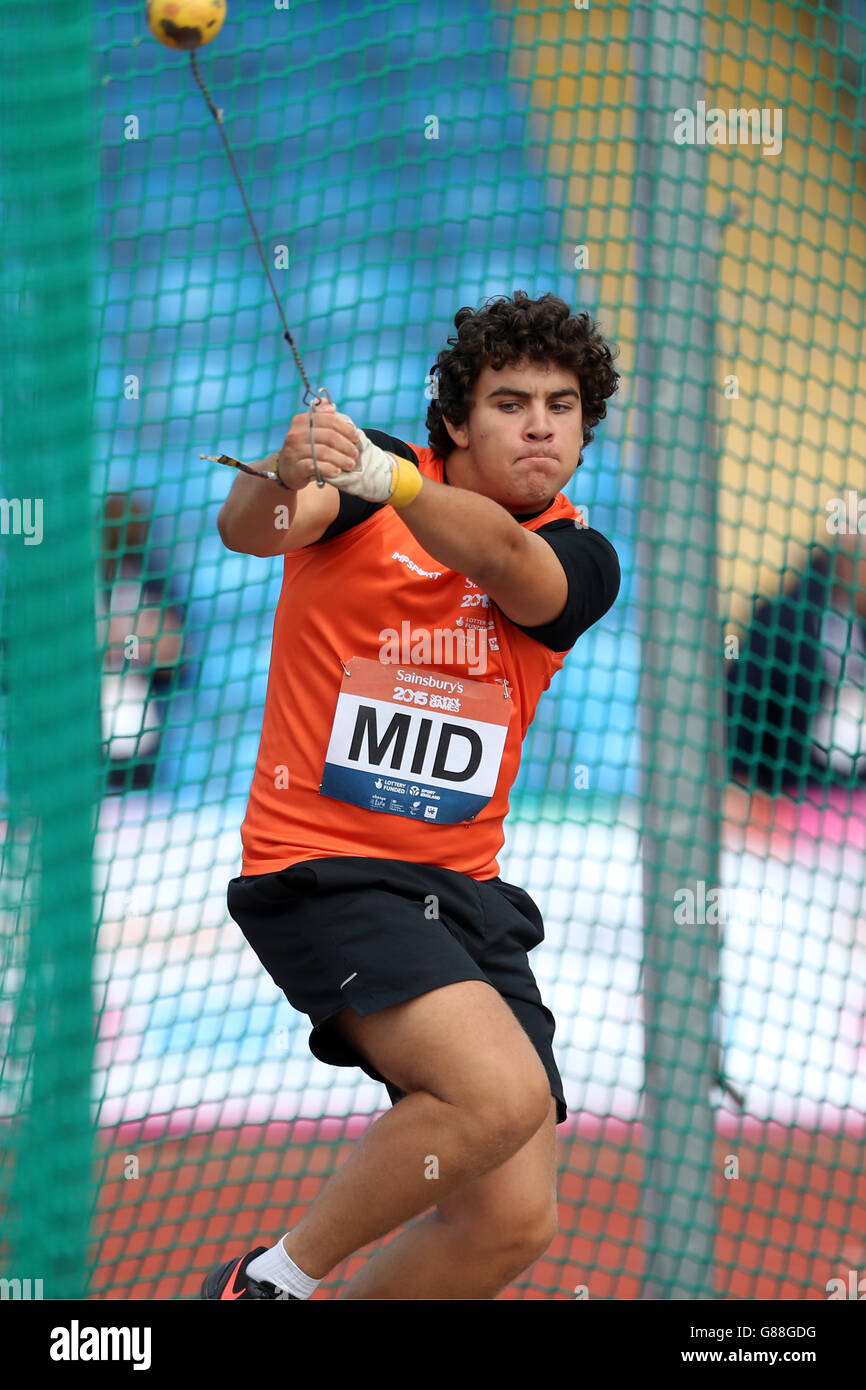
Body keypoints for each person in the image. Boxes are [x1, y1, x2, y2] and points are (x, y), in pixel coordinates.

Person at [204, 290, 621, 1301]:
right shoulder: (364, 480)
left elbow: (504, 559)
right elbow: (251, 529)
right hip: (326, 870)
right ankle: (266, 1284)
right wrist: (289, 468)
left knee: (509, 1220)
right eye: (509, 401)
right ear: (453, 423)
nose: (537, 424)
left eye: (560, 405)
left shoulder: (581, 555)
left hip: (466, 899)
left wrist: (382, 477)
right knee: (494, 1091)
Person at [727, 531, 866, 795]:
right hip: (787, 802)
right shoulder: (780, 621)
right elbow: (741, 706)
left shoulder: (858, 620)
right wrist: (739, 780)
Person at [97, 494, 187, 793]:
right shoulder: (75, 583)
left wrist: (121, 638)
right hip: (74, 728)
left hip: (132, 730)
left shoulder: (152, 580)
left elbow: (171, 654)